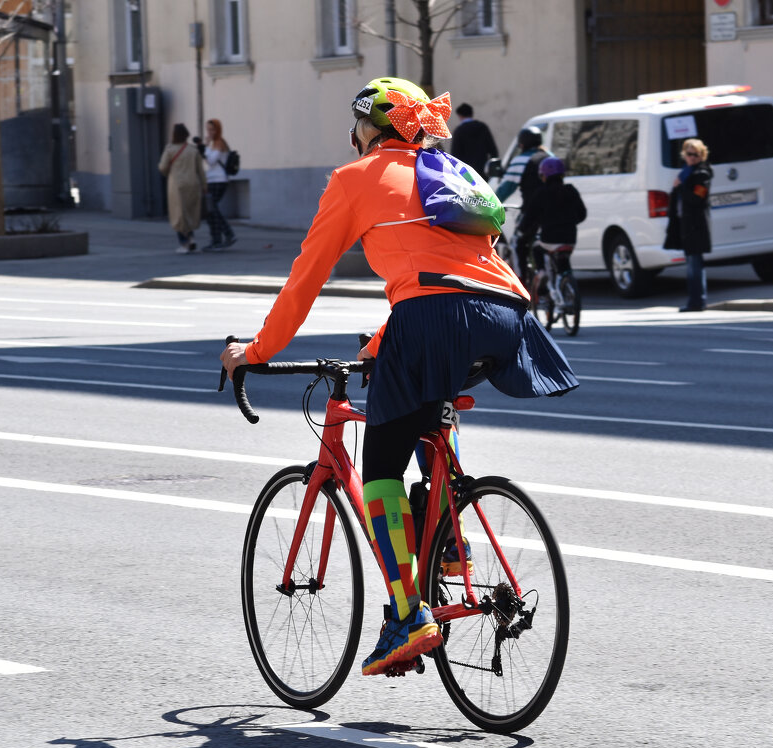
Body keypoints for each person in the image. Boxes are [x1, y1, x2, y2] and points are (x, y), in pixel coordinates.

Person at [220, 77, 578, 678]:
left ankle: (408, 616)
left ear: (368, 129)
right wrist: (386, 341)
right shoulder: (449, 170)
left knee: (382, 463)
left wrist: (257, 349)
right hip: (509, 315)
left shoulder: (354, 179)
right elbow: (452, 269)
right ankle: (449, 539)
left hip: (435, 315)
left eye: (356, 127)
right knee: (429, 404)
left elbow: (306, 279)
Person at [519, 156, 586, 298]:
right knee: (563, 262)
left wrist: (522, 230)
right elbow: (582, 214)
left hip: (549, 239)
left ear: (544, 176)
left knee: (537, 248)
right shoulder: (571, 190)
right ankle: (566, 282)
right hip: (570, 238)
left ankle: (542, 272)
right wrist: (570, 222)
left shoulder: (541, 194)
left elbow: (529, 218)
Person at [663, 137, 712, 312]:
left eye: (696, 155)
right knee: (693, 265)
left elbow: (697, 198)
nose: (692, 158)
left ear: (702, 155)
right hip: (685, 224)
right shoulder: (685, 173)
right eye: (689, 154)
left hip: (696, 226)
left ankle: (697, 301)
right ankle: (697, 300)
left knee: (695, 266)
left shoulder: (702, 174)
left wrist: (681, 187)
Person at [495, 126, 548, 284]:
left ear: (522, 144)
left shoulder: (521, 160)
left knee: (517, 243)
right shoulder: (549, 157)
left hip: (532, 211)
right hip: (554, 210)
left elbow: (506, 188)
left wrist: (493, 203)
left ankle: (521, 281)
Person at [157, 123, 207, 254]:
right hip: (193, 183)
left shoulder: (170, 149)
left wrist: (168, 172)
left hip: (177, 185)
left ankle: (184, 243)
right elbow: (200, 170)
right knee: (189, 212)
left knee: (178, 214)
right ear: (186, 134)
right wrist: (204, 185)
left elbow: (162, 167)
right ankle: (191, 238)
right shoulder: (193, 150)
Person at [201, 118, 237, 250]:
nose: (209, 132)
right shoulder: (214, 143)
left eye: (212, 129)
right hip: (212, 179)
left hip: (219, 180)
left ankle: (226, 234)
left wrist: (204, 146)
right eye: (208, 129)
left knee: (212, 209)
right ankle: (218, 238)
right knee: (211, 210)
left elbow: (210, 161)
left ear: (217, 130)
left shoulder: (219, 143)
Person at [448, 102, 498, 176]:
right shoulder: (482, 127)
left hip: (467, 174)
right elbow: (493, 150)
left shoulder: (459, 131)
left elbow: (455, 155)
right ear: (471, 114)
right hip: (483, 171)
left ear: (460, 116)